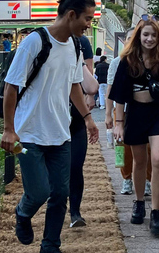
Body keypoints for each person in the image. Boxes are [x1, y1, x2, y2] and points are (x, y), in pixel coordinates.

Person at [0, 0, 100, 253]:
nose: (88, 26)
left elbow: (74, 85)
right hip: (29, 134)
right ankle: (23, 213)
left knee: (60, 194)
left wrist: (88, 118)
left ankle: (50, 245)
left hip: (61, 134)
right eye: (87, 19)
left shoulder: (76, 46)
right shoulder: (35, 41)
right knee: (40, 191)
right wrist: (9, 130)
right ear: (70, 14)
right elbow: (11, 86)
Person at [111, 15, 159, 236]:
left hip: (158, 113)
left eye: (153, 35)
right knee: (139, 161)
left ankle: (156, 211)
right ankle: (139, 201)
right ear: (139, 36)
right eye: (146, 34)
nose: (149, 39)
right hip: (135, 115)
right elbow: (120, 96)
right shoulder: (128, 61)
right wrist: (118, 124)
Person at [105, 28, 152, 196]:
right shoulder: (117, 62)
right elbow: (111, 88)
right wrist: (108, 114)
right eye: (129, 39)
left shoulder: (148, 60)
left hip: (142, 111)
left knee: (147, 147)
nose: (132, 42)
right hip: (122, 113)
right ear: (124, 41)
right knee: (123, 147)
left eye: (135, 38)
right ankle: (126, 179)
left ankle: (147, 180)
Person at [68, 34, 98, 228]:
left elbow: (92, 86)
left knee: (75, 166)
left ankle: (75, 213)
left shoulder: (82, 43)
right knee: (56, 170)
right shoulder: (44, 42)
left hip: (76, 117)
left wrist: (77, 59)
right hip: (52, 120)